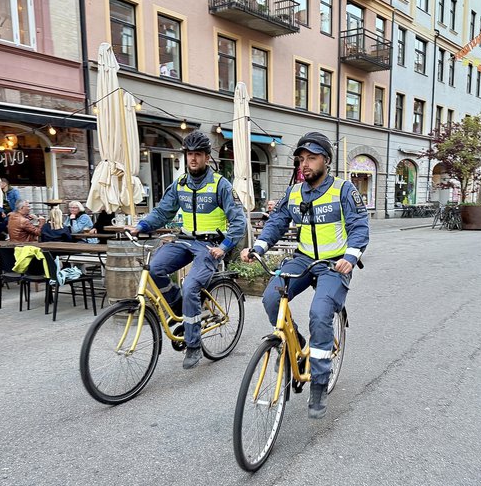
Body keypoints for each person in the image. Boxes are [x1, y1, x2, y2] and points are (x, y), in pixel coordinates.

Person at [241, 132, 369, 420]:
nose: (305, 164)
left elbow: (360, 226)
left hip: (334, 264)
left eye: (311, 158)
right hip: (302, 259)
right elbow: (276, 222)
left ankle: (319, 383)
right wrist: (258, 246)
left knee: (320, 313)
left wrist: (351, 256)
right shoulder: (295, 192)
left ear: (326, 160)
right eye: (301, 159)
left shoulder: (344, 191)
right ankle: (295, 347)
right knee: (271, 299)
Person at [128, 131, 246, 369]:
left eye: (198, 155)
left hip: (210, 245)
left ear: (206, 157)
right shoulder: (180, 184)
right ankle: (181, 307)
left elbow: (239, 222)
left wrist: (224, 247)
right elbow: (163, 212)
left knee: (191, 285)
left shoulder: (220, 185)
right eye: (190, 154)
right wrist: (141, 225)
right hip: (184, 240)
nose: (193, 159)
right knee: (154, 270)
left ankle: (193, 344)